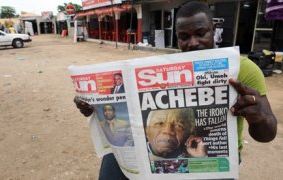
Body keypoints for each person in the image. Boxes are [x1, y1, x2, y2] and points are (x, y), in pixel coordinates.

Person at [74, 1, 277, 179]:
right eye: (184, 37)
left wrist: (258, 116)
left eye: (200, 33)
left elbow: (267, 135)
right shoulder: (163, 69)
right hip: (157, 156)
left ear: (213, 28)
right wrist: (96, 107)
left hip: (211, 158)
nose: (193, 43)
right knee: (112, 160)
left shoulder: (244, 69)